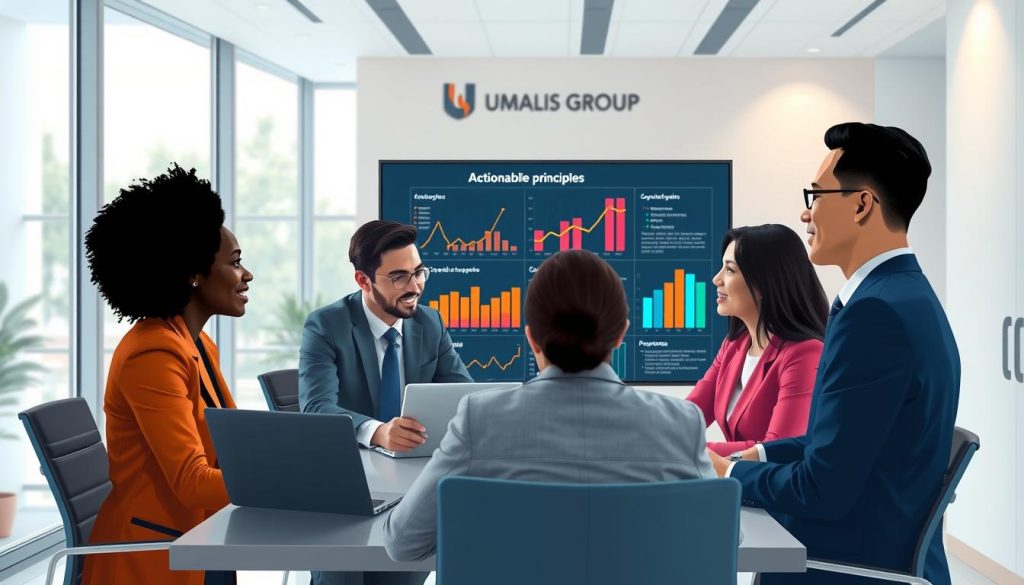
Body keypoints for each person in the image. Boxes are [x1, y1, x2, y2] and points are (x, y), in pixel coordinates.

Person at [712, 123, 960, 585]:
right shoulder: (901, 296)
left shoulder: (876, 315)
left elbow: (822, 488)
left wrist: (728, 475)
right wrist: (757, 455)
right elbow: (838, 444)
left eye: (816, 196)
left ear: (862, 204)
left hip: (852, 568)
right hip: (873, 547)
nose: (806, 216)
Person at [383, 249, 715, 561]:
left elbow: (402, 544)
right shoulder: (681, 422)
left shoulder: (480, 419)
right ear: (620, 334)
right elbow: (720, 537)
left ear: (531, 338)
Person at [82, 165, 253, 585]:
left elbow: (225, 446)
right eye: (235, 263)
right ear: (193, 273)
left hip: (202, 535)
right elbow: (192, 481)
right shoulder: (154, 354)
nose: (246, 275)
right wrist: (286, 484)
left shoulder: (196, 344)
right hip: (158, 554)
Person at [299, 220, 471, 585]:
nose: (415, 287)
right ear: (363, 281)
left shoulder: (430, 323)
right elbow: (315, 408)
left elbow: (466, 397)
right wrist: (377, 432)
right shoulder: (327, 325)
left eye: (419, 272)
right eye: (399, 277)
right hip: (344, 488)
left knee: (403, 572)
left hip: (411, 486)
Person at [686, 224, 827, 457]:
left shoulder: (805, 354)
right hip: (736, 486)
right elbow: (688, 416)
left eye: (730, 270)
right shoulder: (732, 347)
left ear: (762, 283)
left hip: (773, 490)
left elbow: (779, 448)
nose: (716, 279)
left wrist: (689, 451)